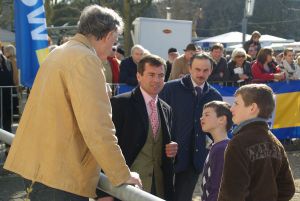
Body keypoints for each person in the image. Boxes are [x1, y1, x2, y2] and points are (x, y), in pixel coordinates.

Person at [4, 5, 142, 201]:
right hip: (60, 174)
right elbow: (97, 126)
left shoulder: (60, 52)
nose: (113, 49)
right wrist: (121, 174)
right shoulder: (85, 60)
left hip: (40, 168)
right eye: (115, 40)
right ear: (108, 34)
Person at [98, 54, 178, 201]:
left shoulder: (167, 109)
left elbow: (162, 146)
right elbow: (105, 146)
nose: (156, 80)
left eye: (161, 75)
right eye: (151, 74)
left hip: (158, 189)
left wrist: (172, 149)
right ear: (139, 76)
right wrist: (105, 193)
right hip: (127, 189)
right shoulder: (120, 104)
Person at [160, 53, 223, 201]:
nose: (201, 74)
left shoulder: (215, 96)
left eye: (205, 70)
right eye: (197, 69)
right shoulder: (169, 89)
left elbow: (218, 129)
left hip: (194, 160)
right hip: (167, 157)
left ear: (211, 70)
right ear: (189, 68)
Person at [218, 84, 295, 201]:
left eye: (237, 103)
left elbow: (231, 194)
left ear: (252, 108)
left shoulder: (238, 143)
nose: (231, 108)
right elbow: (287, 188)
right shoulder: (275, 142)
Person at [200, 101, 233, 201]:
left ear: (222, 119)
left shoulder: (221, 149)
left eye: (207, 115)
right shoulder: (216, 146)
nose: (201, 118)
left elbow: (217, 188)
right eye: (202, 115)